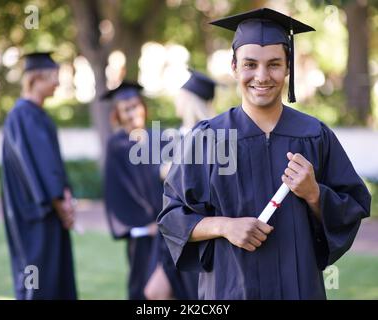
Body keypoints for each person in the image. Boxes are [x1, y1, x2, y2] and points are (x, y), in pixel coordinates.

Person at [157, 8, 371, 299]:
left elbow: (353, 206)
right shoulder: (208, 138)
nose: (261, 76)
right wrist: (224, 226)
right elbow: (172, 217)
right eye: (250, 64)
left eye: (273, 64)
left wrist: (314, 194)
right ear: (234, 67)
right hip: (230, 289)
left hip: (299, 290)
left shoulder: (314, 135)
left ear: (287, 68)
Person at [1, 52, 77, 300]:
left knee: (55, 280)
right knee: (39, 281)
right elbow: (40, 169)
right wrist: (61, 203)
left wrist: (65, 196)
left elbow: (52, 165)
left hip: (47, 213)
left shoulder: (37, 114)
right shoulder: (23, 116)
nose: (57, 83)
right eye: (53, 77)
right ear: (35, 79)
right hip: (34, 215)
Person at [145, 70, 217, 300]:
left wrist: (172, 170)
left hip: (194, 228)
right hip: (172, 226)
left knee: (190, 293)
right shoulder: (180, 134)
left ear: (189, 100)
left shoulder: (211, 136)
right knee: (155, 292)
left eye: (180, 96)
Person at [102, 81, 161, 300]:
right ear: (117, 113)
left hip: (169, 226)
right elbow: (117, 189)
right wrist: (146, 223)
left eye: (136, 106)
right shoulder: (117, 145)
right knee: (142, 283)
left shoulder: (159, 138)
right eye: (126, 109)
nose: (132, 113)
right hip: (143, 229)